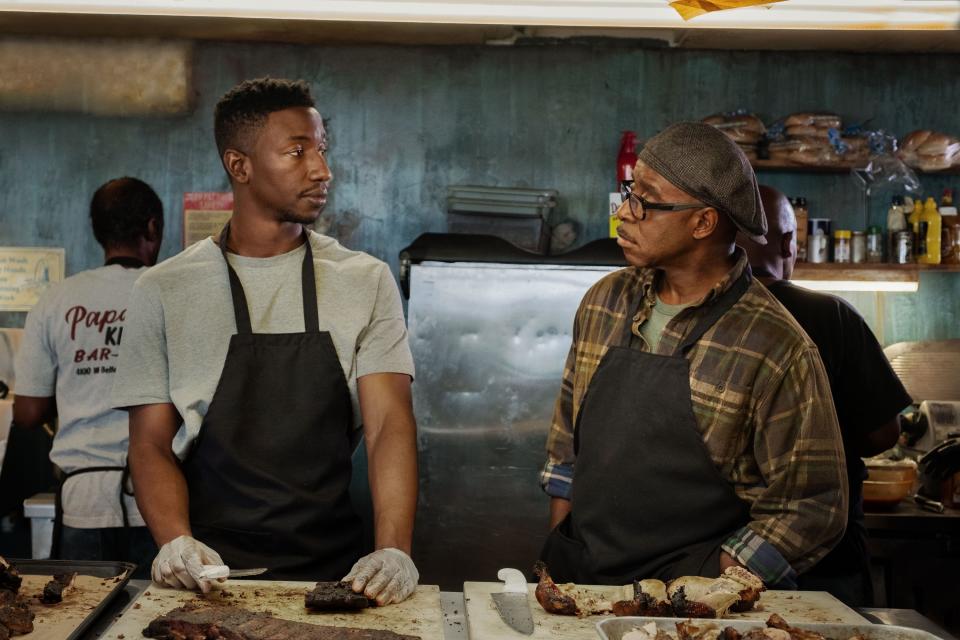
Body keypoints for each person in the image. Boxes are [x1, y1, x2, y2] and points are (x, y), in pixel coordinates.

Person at [111, 78, 419, 604]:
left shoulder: (363, 280)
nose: (322, 169)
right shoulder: (163, 289)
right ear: (240, 166)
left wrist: (394, 550)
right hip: (206, 578)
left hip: (333, 576)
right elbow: (150, 444)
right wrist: (177, 542)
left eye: (321, 149)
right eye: (296, 152)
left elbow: (389, 425)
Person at [539, 122, 848, 589]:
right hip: (582, 582)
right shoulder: (605, 301)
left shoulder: (774, 345)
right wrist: (564, 551)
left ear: (703, 222)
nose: (625, 211)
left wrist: (711, 584)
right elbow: (567, 446)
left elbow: (813, 505)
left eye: (645, 200)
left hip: (690, 606)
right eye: (629, 192)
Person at [739, 185, 911, 606]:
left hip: (724, 549)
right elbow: (883, 435)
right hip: (822, 554)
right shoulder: (832, 315)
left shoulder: (703, 313)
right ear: (787, 242)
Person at [13, 177, 164, 576]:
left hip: (83, 497)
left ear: (98, 231)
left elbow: (27, 412)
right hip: (163, 500)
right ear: (152, 227)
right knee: (158, 619)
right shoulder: (167, 293)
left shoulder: (56, 299)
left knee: (85, 618)